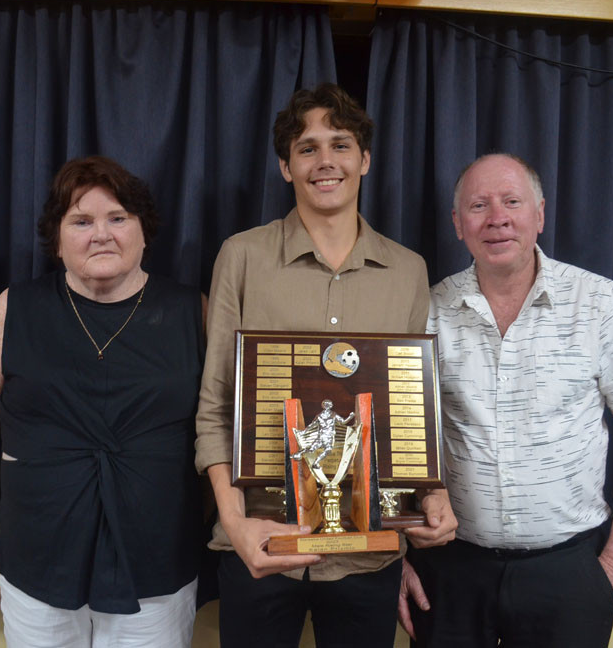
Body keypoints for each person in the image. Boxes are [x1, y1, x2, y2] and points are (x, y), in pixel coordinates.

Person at [195, 83, 457, 647]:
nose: (324, 161)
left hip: (370, 556)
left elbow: (412, 411)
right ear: (286, 167)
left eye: (340, 144)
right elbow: (216, 406)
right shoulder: (241, 256)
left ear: (364, 159)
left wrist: (431, 495)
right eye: (307, 148)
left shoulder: (408, 269)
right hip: (260, 544)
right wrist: (236, 525)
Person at [401, 153, 613, 647]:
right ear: (458, 225)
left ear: (540, 214)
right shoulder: (428, 308)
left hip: (569, 572)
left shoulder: (598, 302)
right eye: (478, 205)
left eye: (511, 202)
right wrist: (395, 555)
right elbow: (392, 435)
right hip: (451, 572)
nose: (497, 218)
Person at [0, 156, 205, 648]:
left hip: (157, 565)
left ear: (144, 231)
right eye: (81, 221)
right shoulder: (15, 308)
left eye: (118, 218)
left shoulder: (192, 310)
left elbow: (223, 433)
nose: (101, 234)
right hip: (36, 563)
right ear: (58, 239)